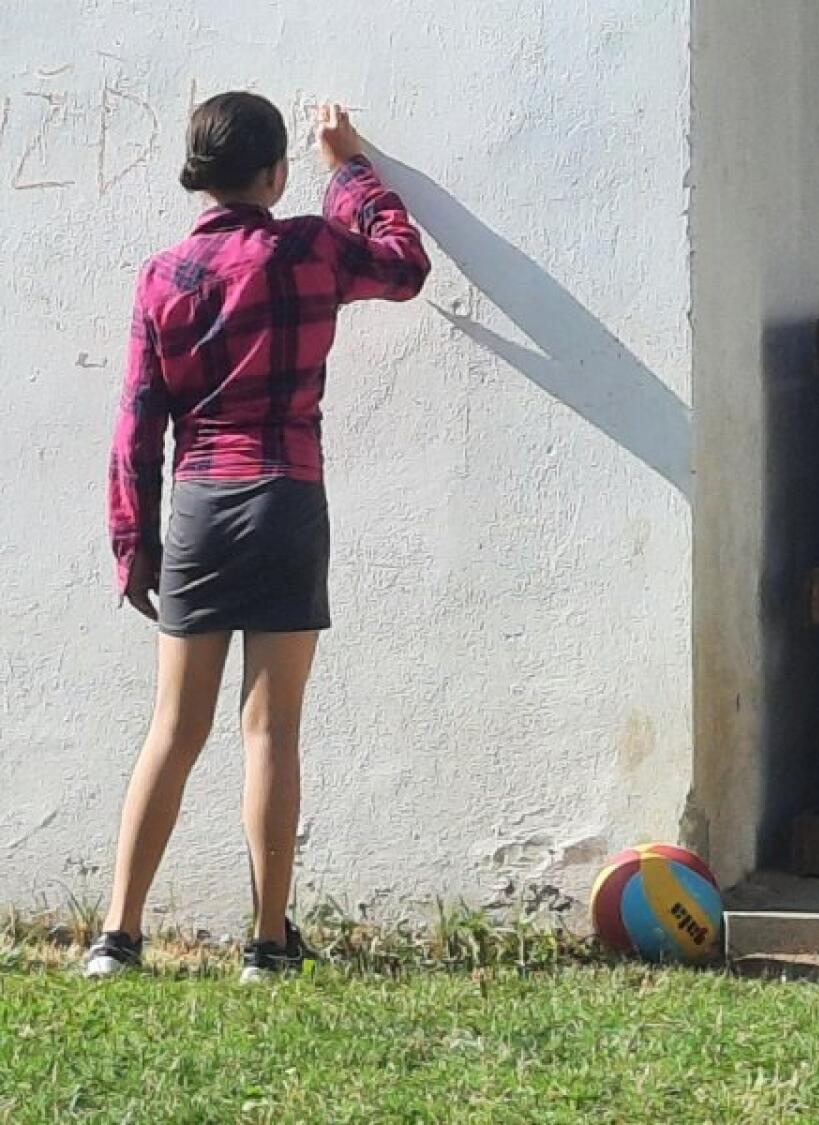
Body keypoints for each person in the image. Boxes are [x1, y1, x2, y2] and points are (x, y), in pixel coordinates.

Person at [87, 92, 430, 982]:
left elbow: (136, 426)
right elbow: (405, 265)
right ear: (276, 175)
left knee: (174, 725)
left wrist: (134, 538)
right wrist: (349, 169)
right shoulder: (311, 248)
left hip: (200, 504)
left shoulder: (162, 277)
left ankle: (117, 937)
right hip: (286, 496)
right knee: (270, 729)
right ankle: (268, 943)